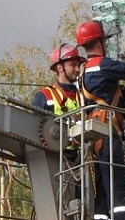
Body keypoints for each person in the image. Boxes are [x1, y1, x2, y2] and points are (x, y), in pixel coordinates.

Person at [75, 20, 125, 220]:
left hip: (95, 139)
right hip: (107, 135)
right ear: (100, 42)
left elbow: (109, 102)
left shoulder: (83, 71)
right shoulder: (102, 64)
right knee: (119, 192)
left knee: (103, 195)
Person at [32, 44, 86, 206]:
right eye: (73, 65)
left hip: (82, 160)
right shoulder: (45, 96)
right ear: (59, 67)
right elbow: (33, 129)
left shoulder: (84, 97)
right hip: (56, 160)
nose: (77, 69)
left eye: (79, 65)